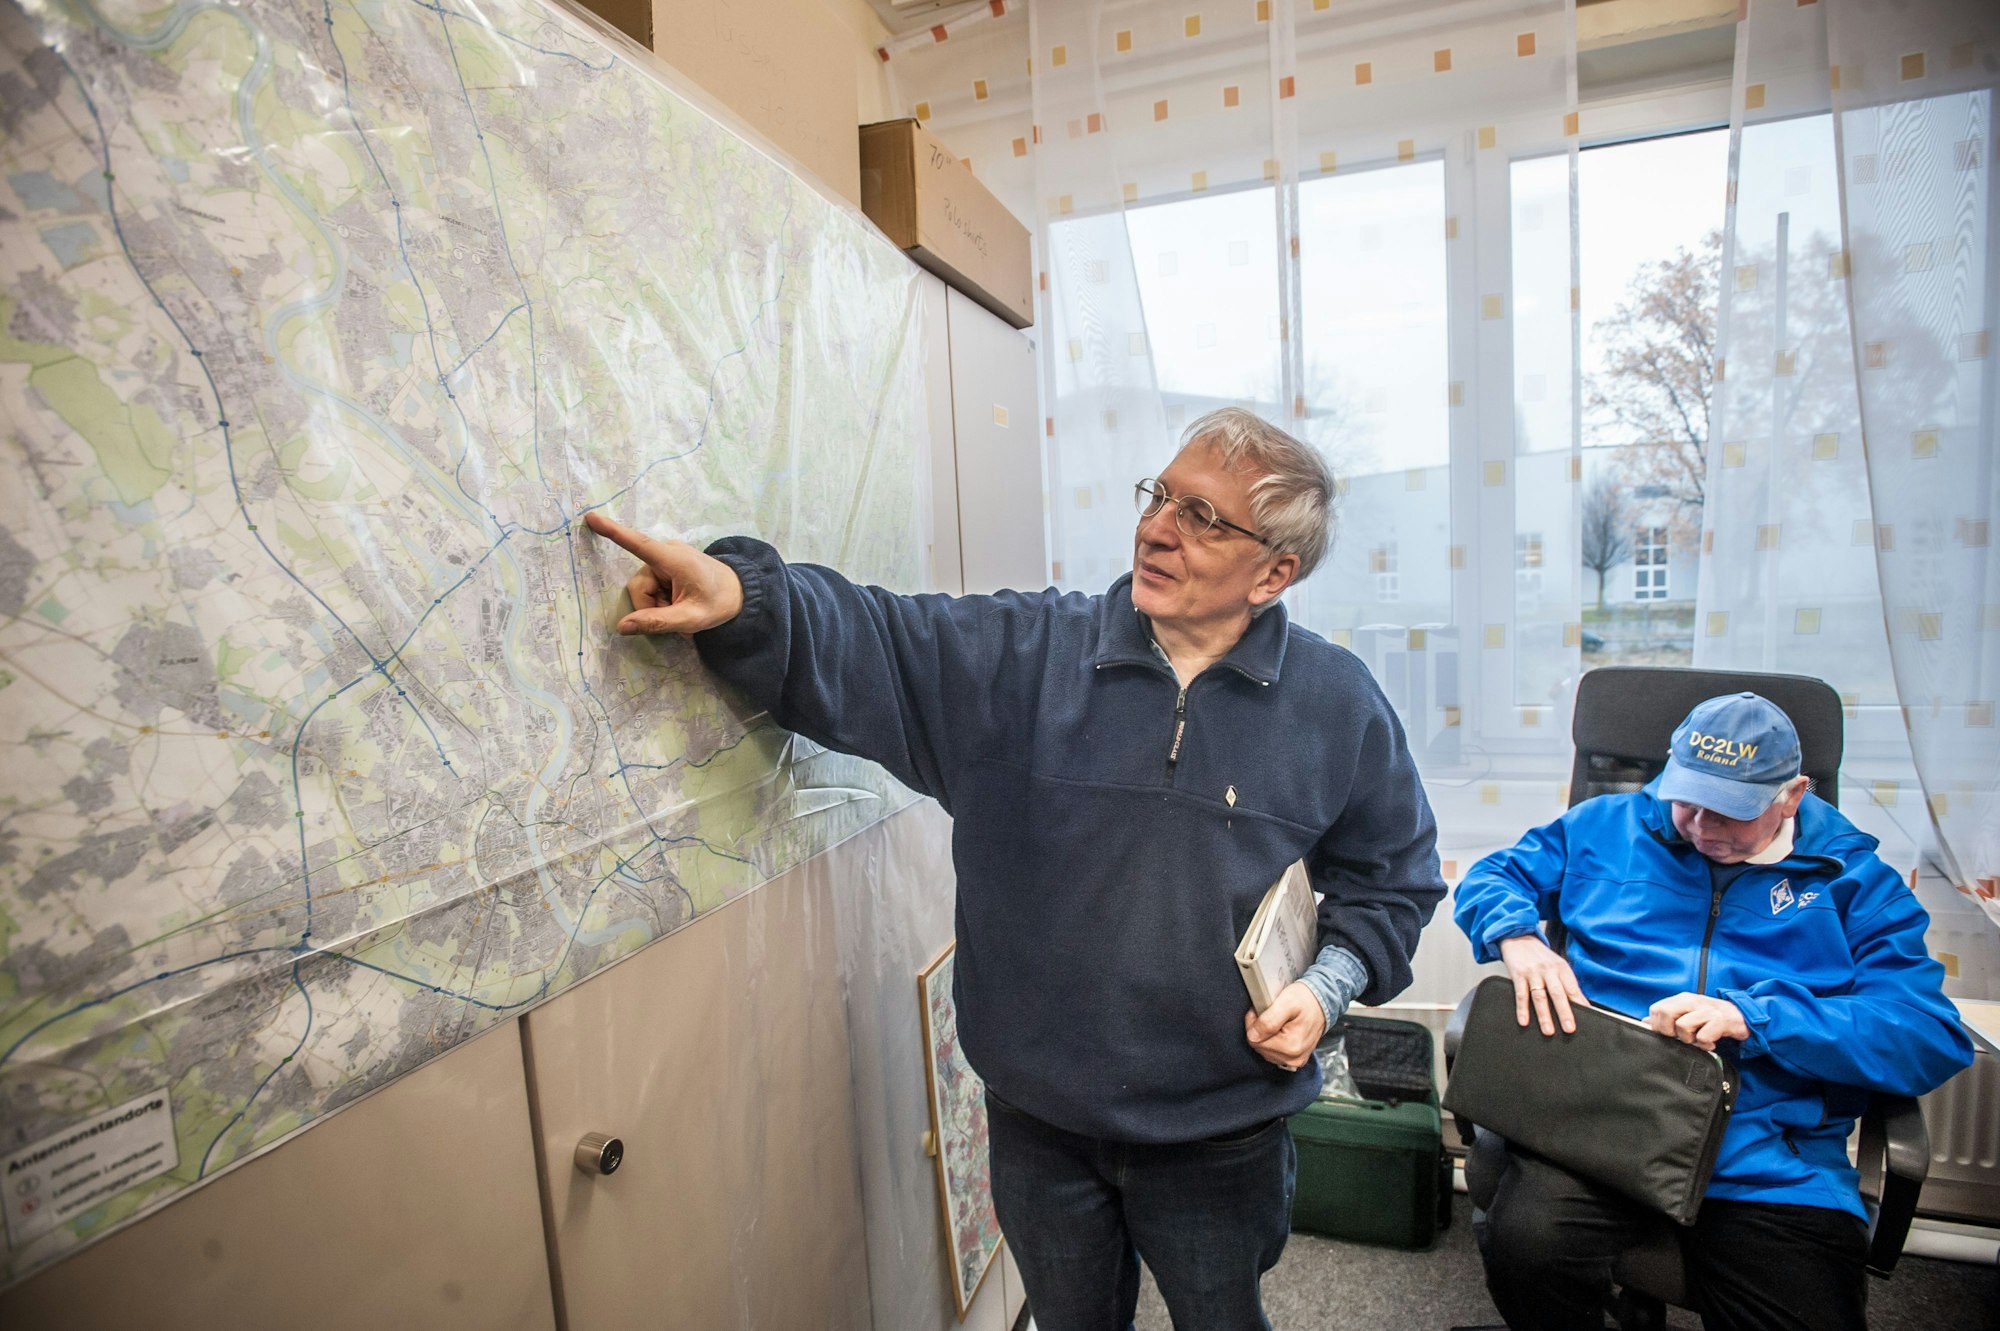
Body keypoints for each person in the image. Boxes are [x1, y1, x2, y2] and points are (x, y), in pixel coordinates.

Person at [585, 407, 1445, 1331]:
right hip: (1041, 1124)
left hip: (1220, 1131)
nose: (1157, 527)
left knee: (1223, 1318)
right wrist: (747, 596)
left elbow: (1393, 879)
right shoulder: (1027, 655)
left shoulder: (1338, 702)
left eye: (1204, 518)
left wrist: (1326, 986)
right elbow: (879, 637)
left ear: (1274, 573)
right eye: (1160, 496)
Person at [1453, 691, 1974, 1331]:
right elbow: (1491, 876)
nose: (1701, 825)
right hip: (1602, 1126)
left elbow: (1925, 1034)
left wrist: (1756, 1019)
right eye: (1687, 799)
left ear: (1793, 794)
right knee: (1527, 1251)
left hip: (1768, 1159)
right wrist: (1520, 939)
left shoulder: (1854, 882)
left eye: (1730, 811)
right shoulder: (1606, 826)